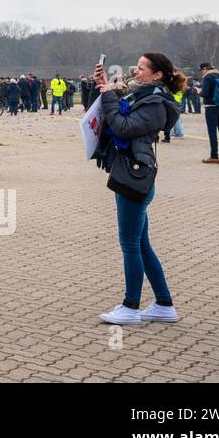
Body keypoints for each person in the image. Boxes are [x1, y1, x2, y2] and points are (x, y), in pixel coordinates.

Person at [91, 52, 183, 325]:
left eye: (142, 68)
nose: (136, 71)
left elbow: (123, 127)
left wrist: (109, 95)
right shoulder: (140, 95)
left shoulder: (155, 103)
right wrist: (103, 86)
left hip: (135, 178)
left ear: (158, 75)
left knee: (130, 243)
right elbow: (108, 113)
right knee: (141, 244)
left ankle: (131, 307)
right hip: (132, 175)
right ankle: (164, 304)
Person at [198, 62, 219, 164]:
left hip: (211, 107)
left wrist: (198, 91)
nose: (201, 73)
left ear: (205, 69)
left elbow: (205, 93)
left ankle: (214, 156)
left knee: (212, 132)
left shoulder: (208, 77)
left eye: (201, 70)